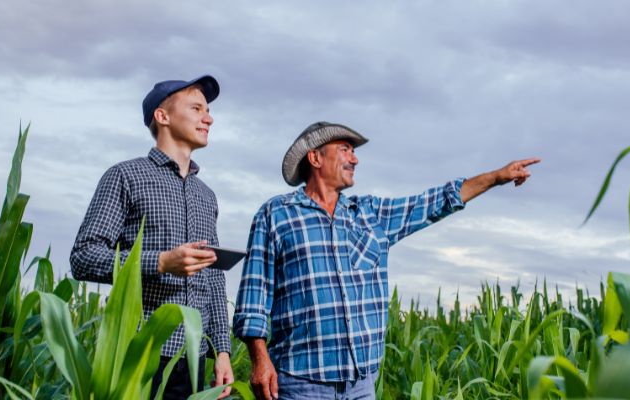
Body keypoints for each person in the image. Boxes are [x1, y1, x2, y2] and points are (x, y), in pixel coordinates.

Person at [232, 121, 539, 399]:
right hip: (300, 384)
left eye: (353, 152)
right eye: (345, 150)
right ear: (315, 158)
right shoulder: (276, 215)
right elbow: (253, 299)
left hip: (362, 386)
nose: (354, 159)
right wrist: (260, 360)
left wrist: (497, 177)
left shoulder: (370, 214)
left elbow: (435, 201)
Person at [71, 76, 233, 399]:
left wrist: (223, 351)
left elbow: (213, 277)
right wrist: (160, 262)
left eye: (209, 110)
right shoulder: (124, 177)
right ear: (163, 117)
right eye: (197, 108)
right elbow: (83, 257)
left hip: (194, 356)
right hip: (140, 353)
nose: (209, 117)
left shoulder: (207, 196)